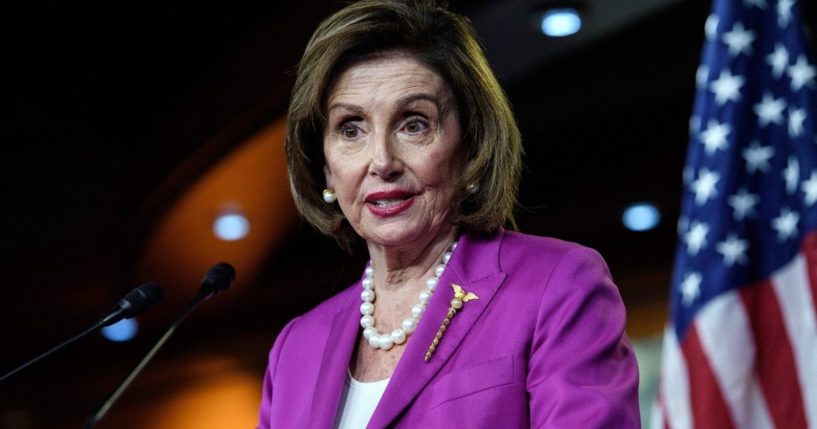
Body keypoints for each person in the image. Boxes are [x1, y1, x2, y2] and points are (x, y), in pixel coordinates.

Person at [257, 0, 640, 427]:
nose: (382, 161)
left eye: (414, 123)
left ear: (471, 144)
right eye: (351, 128)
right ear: (324, 163)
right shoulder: (296, 347)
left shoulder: (558, 286)